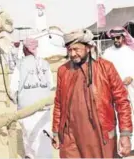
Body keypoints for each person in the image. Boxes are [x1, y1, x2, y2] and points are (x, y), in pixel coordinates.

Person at [52, 29, 133, 158]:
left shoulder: (106, 68)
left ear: (88, 48)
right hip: (71, 138)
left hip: (99, 135)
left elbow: (122, 101)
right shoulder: (63, 71)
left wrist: (125, 134)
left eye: (76, 49)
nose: (72, 54)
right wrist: (56, 132)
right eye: (70, 50)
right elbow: (58, 104)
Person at [10, 38, 54, 158]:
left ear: (24, 49)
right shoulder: (45, 63)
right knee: (44, 135)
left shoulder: (20, 65)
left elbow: (13, 89)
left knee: (29, 137)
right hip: (44, 108)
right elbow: (51, 84)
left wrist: (17, 100)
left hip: (26, 110)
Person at [103, 26, 134, 153]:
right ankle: (119, 147)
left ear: (123, 37)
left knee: (130, 115)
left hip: (129, 89)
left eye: (118, 38)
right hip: (113, 91)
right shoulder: (107, 53)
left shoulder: (130, 51)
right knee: (115, 116)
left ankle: (131, 147)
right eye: (113, 38)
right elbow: (103, 71)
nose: (116, 40)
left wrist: (131, 77)